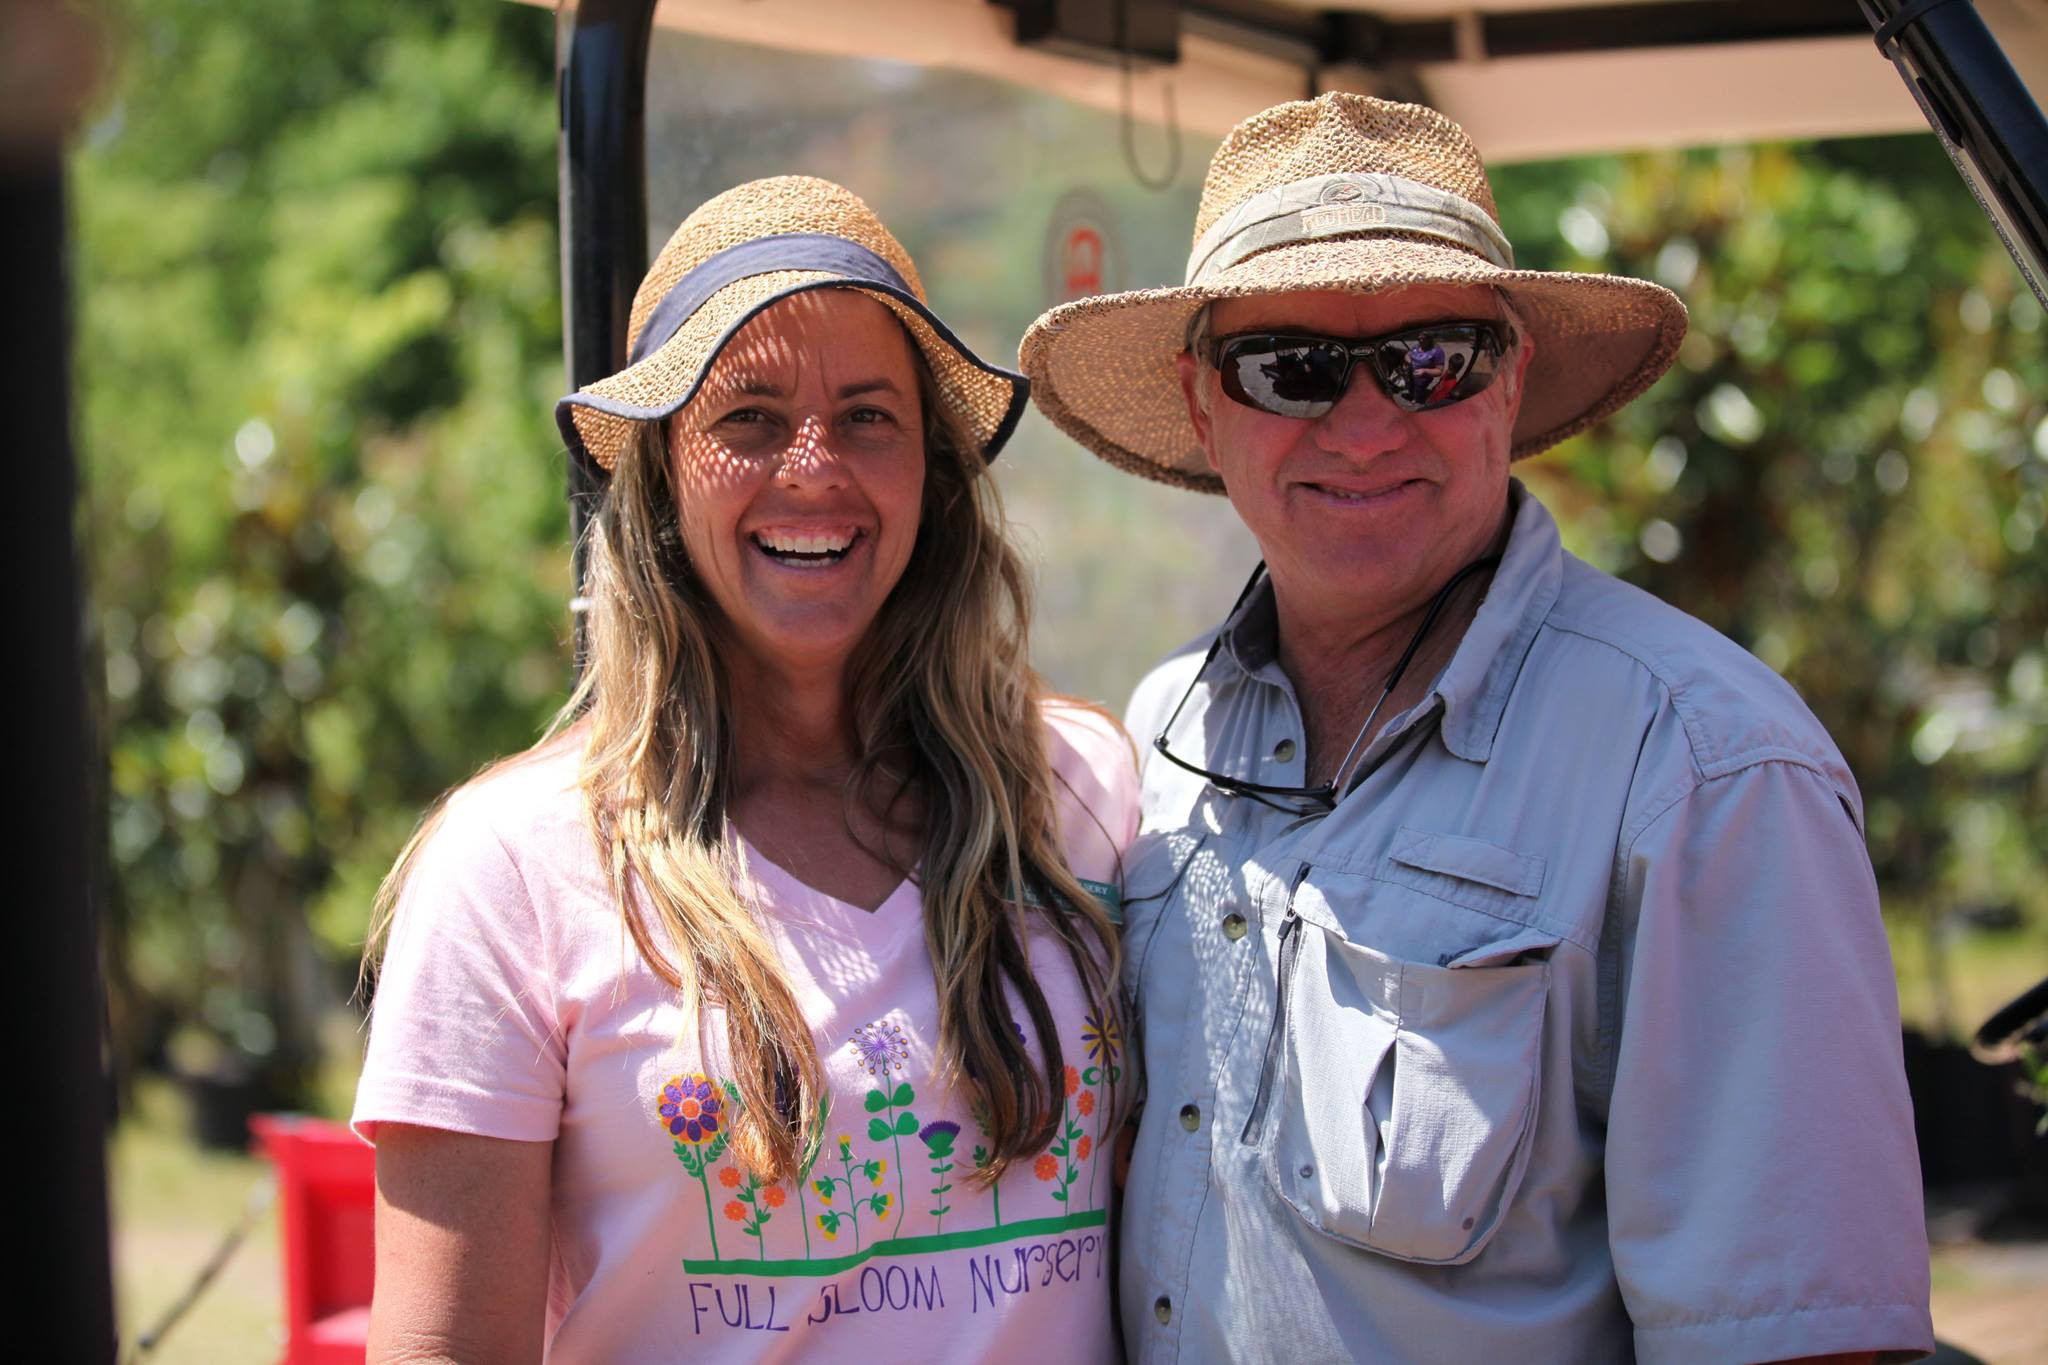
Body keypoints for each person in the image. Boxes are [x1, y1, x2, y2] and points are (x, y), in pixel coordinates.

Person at [1022, 93, 1933, 1363]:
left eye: (1429, 359)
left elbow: (1803, 1342)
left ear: (1506, 383)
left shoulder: (1701, 766)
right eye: (1289, 367)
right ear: (1201, 403)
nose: (1361, 423)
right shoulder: (1166, 727)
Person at [354, 176, 1137, 1363]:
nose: (813, 467)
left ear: (930, 471)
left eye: (868, 415)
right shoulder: (511, 868)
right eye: (750, 419)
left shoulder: (1087, 791)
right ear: (662, 473)